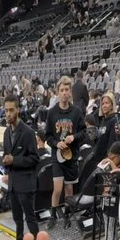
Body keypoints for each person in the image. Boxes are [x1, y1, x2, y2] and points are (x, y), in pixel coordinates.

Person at [45, 76, 87, 227]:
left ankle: (67, 215)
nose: (64, 93)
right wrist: (57, 143)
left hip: (72, 156)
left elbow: (83, 132)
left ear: (70, 92)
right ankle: (53, 216)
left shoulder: (76, 112)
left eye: (66, 90)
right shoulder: (51, 113)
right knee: (57, 189)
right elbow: (48, 136)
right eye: (61, 90)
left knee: (69, 189)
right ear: (58, 92)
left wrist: (73, 137)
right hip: (57, 156)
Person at [2, 95, 40, 240]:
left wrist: (14, 160)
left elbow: (35, 159)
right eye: (6, 110)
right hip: (13, 183)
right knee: (17, 217)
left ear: (18, 110)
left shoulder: (28, 132)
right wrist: (6, 164)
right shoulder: (6, 132)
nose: (8, 114)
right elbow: (7, 154)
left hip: (25, 182)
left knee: (30, 217)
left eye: (11, 110)